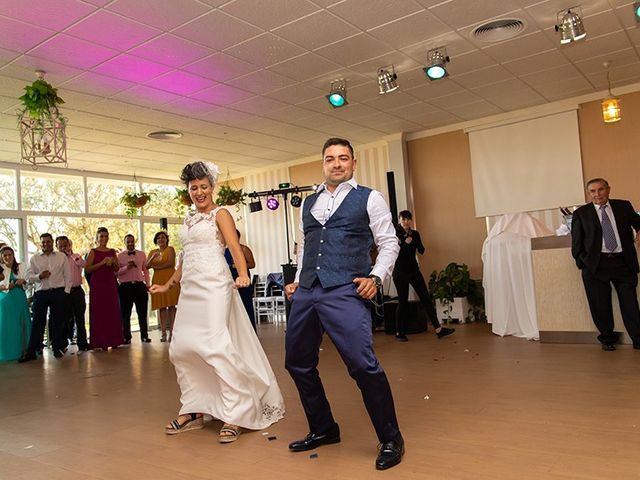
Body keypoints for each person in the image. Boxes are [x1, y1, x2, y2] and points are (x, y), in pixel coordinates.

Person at [284, 138, 404, 470]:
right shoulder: (308, 203)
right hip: (308, 290)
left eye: (343, 158)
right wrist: (297, 277)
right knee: (297, 362)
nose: (336, 163)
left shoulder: (370, 197)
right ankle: (324, 428)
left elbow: (389, 241)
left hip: (346, 289)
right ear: (322, 163)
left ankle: (391, 438)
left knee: (363, 365)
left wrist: (377, 277)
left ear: (353, 162)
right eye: (330, 159)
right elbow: (304, 246)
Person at [149, 161, 284, 444]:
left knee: (215, 347)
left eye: (203, 187)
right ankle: (195, 408)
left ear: (212, 187)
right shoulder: (187, 220)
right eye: (193, 188)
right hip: (191, 290)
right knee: (181, 347)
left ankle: (237, 413)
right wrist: (169, 284)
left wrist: (244, 274)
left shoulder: (221, 214)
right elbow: (186, 257)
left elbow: (234, 247)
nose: (199, 192)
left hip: (215, 286)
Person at [571, 178, 640, 351]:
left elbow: (638, 222)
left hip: (622, 263)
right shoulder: (581, 214)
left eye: (600, 190)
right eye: (592, 191)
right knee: (600, 305)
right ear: (589, 193)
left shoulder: (624, 206)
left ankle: (638, 339)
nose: (597, 194)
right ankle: (607, 339)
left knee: (630, 303)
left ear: (608, 190)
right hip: (596, 266)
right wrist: (584, 263)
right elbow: (577, 243)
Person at [392, 210, 455, 342]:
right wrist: (404, 242)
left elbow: (421, 250)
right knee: (402, 301)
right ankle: (399, 333)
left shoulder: (415, 233)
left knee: (426, 298)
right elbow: (393, 251)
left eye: (408, 219)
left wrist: (413, 241)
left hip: (414, 270)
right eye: (403, 219)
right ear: (399, 220)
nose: (406, 221)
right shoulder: (395, 234)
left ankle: (439, 329)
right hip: (400, 272)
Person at [21, 233, 72, 361]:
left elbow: (68, 276)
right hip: (41, 293)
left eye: (48, 242)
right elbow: (28, 278)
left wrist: (66, 293)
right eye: (43, 242)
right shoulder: (34, 259)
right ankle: (32, 351)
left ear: (52, 242)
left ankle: (57, 348)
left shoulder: (61, 257)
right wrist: (39, 276)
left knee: (57, 322)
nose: (46, 244)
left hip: (58, 293)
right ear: (40, 243)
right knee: (38, 322)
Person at [85, 227, 123, 350]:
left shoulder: (112, 251)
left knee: (112, 310)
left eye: (106, 236)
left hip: (110, 283)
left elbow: (117, 269)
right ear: (97, 238)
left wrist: (113, 262)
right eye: (101, 236)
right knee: (99, 311)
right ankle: (101, 342)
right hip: (97, 284)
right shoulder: (93, 252)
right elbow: (87, 269)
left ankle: (114, 340)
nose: (104, 239)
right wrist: (102, 263)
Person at [55, 236, 90, 351]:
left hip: (77, 291)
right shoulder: (56, 260)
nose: (63, 248)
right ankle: (62, 344)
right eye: (60, 246)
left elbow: (85, 265)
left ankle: (83, 343)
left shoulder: (76, 257)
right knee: (65, 319)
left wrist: (74, 257)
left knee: (80, 318)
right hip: (64, 292)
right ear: (57, 247)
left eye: (65, 245)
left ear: (69, 245)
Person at [117, 234, 151, 344]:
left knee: (142, 312)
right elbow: (116, 273)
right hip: (125, 287)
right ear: (125, 243)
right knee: (125, 314)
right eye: (128, 242)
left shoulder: (141, 254)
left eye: (132, 241)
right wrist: (127, 267)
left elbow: (145, 270)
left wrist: (147, 284)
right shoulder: (119, 256)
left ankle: (144, 336)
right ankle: (126, 337)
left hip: (139, 286)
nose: (130, 243)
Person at [147, 231, 179, 342]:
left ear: (167, 239)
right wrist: (152, 259)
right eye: (159, 238)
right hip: (158, 279)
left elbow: (170, 263)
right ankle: (164, 333)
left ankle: (172, 332)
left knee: (171, 305)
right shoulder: (153, 252)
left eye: (163, 237)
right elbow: (146, 266)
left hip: (170, 277)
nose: (161, 239)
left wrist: (156, 267)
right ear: (156, 240)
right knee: (161, 306)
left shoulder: (170, 249)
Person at [0, 246, 31, 362]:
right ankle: (7, 351)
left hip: (19, 298)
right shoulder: (0, 269)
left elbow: (28, 281)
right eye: (5, 255)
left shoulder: (21, 266)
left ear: (13, 255)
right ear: (2, 258)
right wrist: (7, 286)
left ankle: (24, 351)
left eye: (10, 254)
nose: (8, 257)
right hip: (5, 300)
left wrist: (23, 281)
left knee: (21, 323)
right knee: (7, 325)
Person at [224, 229, 256, 330]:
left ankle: (249, 329)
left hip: (242, 278)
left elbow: (252, 264)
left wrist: (237, 264)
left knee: (245, 304)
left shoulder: (244, 249)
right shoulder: (224, 251)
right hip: (230, 279)